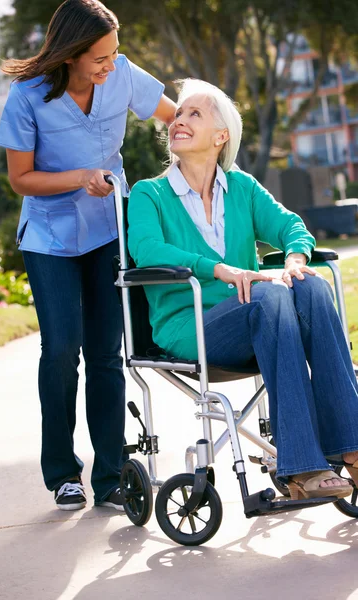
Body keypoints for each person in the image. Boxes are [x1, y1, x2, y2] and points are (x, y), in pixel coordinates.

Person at [127, 78, 358, 500]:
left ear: (221, 136)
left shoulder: (243, 188)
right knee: (268, 295)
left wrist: (294, 259)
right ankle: (302, 468)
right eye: (178, 113)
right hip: (190, 325)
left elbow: (292, 226)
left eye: (194, 113)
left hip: (260, 320)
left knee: (309, 287)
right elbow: (146, 249)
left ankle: (353, 447)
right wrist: (220, 270)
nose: (178, 120)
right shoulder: (150, 194)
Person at [0, 0, 176, 511]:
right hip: (49, 239)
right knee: (60, 351)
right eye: (99, 57)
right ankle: (62, 473)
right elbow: (19, 179)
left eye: (115, 54)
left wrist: (197, 151)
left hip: (107, 233)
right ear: (71, 54)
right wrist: (79, 178)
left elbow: (175, 118)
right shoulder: (28, 96)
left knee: (105, 355)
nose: (110, 65)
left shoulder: (120, 75)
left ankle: (112, 476)